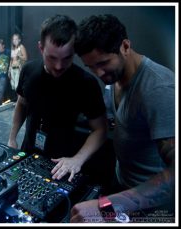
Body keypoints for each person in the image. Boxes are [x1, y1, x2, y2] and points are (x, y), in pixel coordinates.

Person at [71, 14, 175, 223]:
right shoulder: (114, 77)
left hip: (151, 207)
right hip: (122, 183)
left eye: (103, 63)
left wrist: (106, 207)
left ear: (125, 46)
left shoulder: (158, 89)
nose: (98, 73)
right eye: (90, 67)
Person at [7, 14, 108, 182]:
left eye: (67, 58)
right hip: (27, 152)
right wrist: (12, 138)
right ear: (40, 48)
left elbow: (101, 130)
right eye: (52, 58)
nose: (59, 66)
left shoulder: (86, 84)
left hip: (62, 164)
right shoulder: (28, 70)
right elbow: (21, 104)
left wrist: (78, 159)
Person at [9, 33, 28, 101]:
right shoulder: (12, 48)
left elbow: (25, 58)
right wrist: (9, 70)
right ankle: (19, 101)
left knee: (18, 86)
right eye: (13, 39)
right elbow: (11, 60)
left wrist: (19, 56)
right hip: (12, 69)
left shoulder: (21, 47)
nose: (15, 41)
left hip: (18, 69)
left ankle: (20, 102)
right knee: (14, 86)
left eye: (16, 39)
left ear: (19, 40)